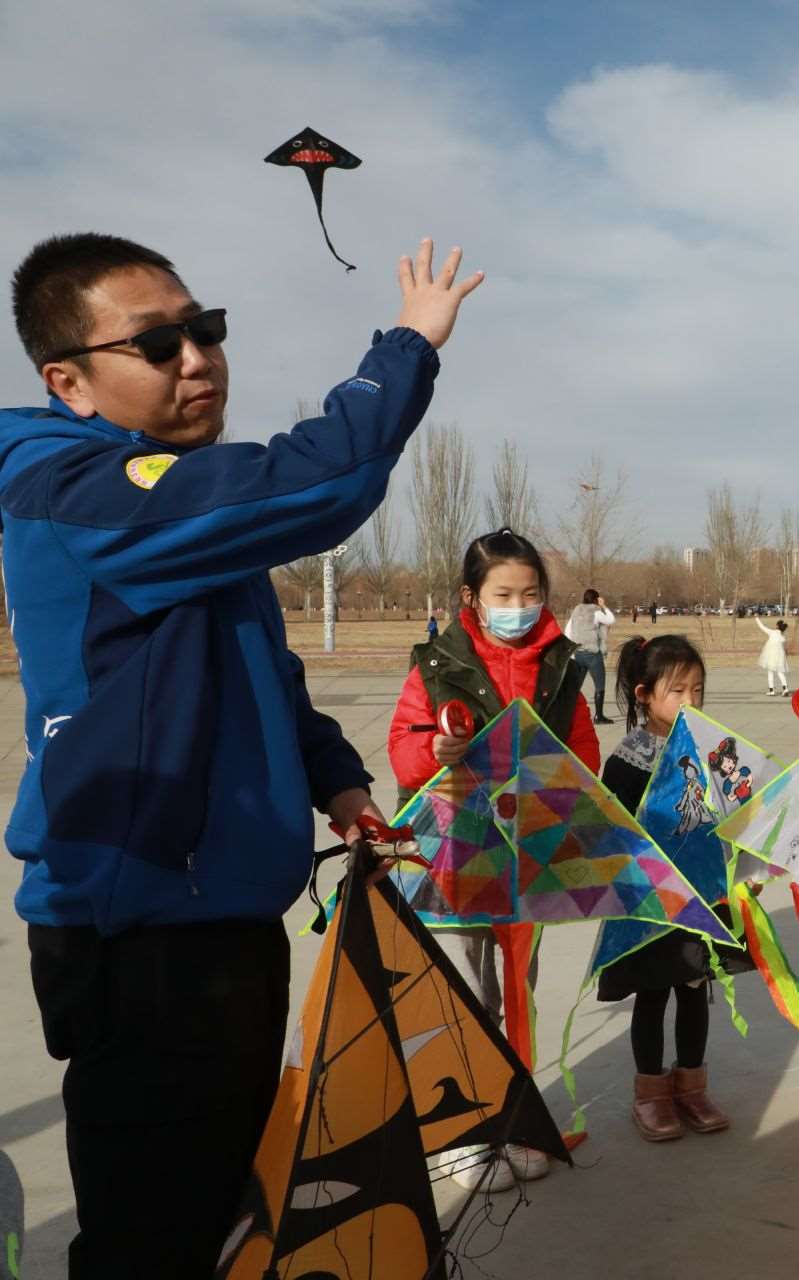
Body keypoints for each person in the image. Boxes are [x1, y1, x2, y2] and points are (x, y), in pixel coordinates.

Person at [3, 232, 479, 1276]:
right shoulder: (79, 492)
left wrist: (338, 781)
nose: (198, 359)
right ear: (68, 381)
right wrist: (406, 345)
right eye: (157, 343)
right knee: (155, 1239)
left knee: (231, 1216)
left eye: (205, 328)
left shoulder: (168, 510)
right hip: (146, 941)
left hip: (221, 918)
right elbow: (322, 478)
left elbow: (259, 668)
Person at [385, 528, 599, 1191]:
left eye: (531, 594)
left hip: (527, 852)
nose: (519, 607)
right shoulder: (437, 663)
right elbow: (404, 748)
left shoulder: (561, 665)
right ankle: (460, 1129)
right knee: (463, 991)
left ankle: (516, 1118)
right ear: (471, 597)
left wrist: (562, 792)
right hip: (454, 850)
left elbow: (583, 754)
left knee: (516, 991)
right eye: (504, 595)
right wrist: (435, 753)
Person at [597, 634, 749, 1142]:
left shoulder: (709, 748)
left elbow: (734, 809)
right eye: (678, 690)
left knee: (693, 987)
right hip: (649, 900)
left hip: (700, 894)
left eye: (697, 689)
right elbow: (612, 830)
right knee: (652, 993)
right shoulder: (628, 759)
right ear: (644, 695)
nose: (690, 700)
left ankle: (692, 1087)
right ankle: (650, 1094)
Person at [565, 586, 618, 724]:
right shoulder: (596, 612)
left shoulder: (576, 611)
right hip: (592, 654)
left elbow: (568, 631)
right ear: (596, 599)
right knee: (599, 684)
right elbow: (611, 620)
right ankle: (598, 716)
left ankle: (569, 714)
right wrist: (603, 605)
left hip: (578, 653)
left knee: (576, 686)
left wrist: (572, 652)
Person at [754, 616, 790, 695]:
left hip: (771, 656)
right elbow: (785, 650)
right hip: (780, 657)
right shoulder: (783, 637)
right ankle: (785, 688)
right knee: (780, 672)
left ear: (777, 626)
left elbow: (762, 627)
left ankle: (771, 690)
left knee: (770, 672)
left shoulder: (772, 632)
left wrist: (756, 618)